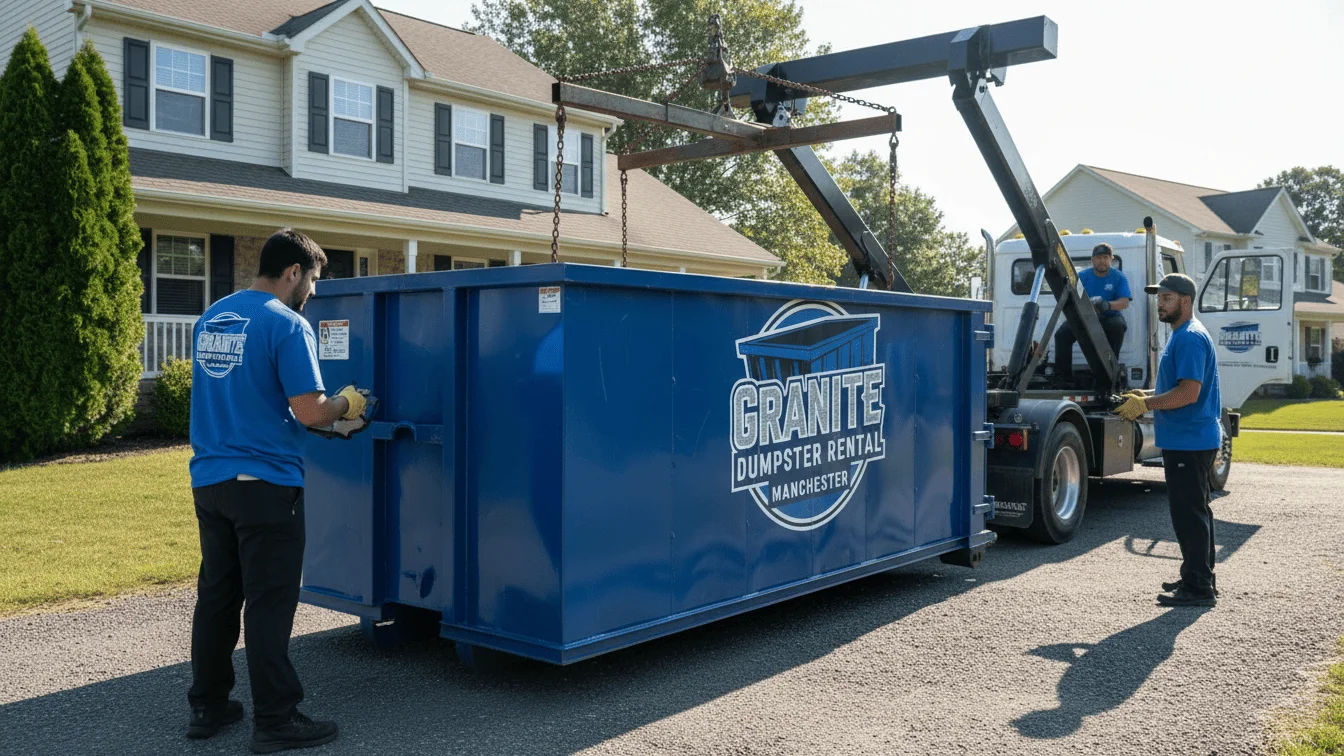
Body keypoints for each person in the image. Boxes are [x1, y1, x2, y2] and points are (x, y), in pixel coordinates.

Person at [186, 229, 371, 752]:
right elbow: (310, 410)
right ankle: (276, 719)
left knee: (218, 598)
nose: (311, 292)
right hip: (267, 486)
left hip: (211, 482)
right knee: (269, 603)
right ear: (293, 272)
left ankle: (208, 705)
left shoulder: (213, 318)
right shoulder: (286, 325)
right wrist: (347, 404)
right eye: (311, 280)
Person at [1113, 273, 1222, 608]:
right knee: (1196, 512)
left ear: (1185, 302)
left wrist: (1146, 404)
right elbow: (1176, 389)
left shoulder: (1188, 337)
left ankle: (1198, 587)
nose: (1159, 303)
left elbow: (1189, 393)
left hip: (1189, 440)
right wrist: (1144, 394)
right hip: (1192, 439)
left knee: (1188, 515)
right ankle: (1197, 576)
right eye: (1158, 297)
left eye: (1167, 298)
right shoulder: (1184, 335)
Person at [1054, 242, 1131, 380]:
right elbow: (1071, 297)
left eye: (1106, 257)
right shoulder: (1082, 276)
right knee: (1062, 334)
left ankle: (1110, 372)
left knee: (1117, 326)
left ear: (1111, 259)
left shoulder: (1119, 277)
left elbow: (1124, 302)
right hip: (1085, 316)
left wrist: (1106, 305)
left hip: (1109, 316)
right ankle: (1062, 377)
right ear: (1092, 260)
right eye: (1099, 257)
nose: (1102, 261)